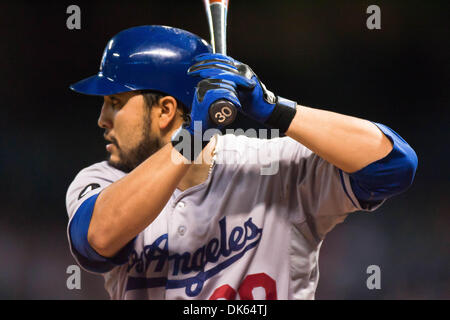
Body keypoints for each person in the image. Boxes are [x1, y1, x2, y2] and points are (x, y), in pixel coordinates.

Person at [66, 25, 418, 300]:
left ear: (165, 111)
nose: (102, 119)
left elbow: (392, 166)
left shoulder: (270, 164)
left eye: (114, 101)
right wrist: (193, 138)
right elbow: (97, 238)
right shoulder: (102, 181)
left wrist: (276, 109)